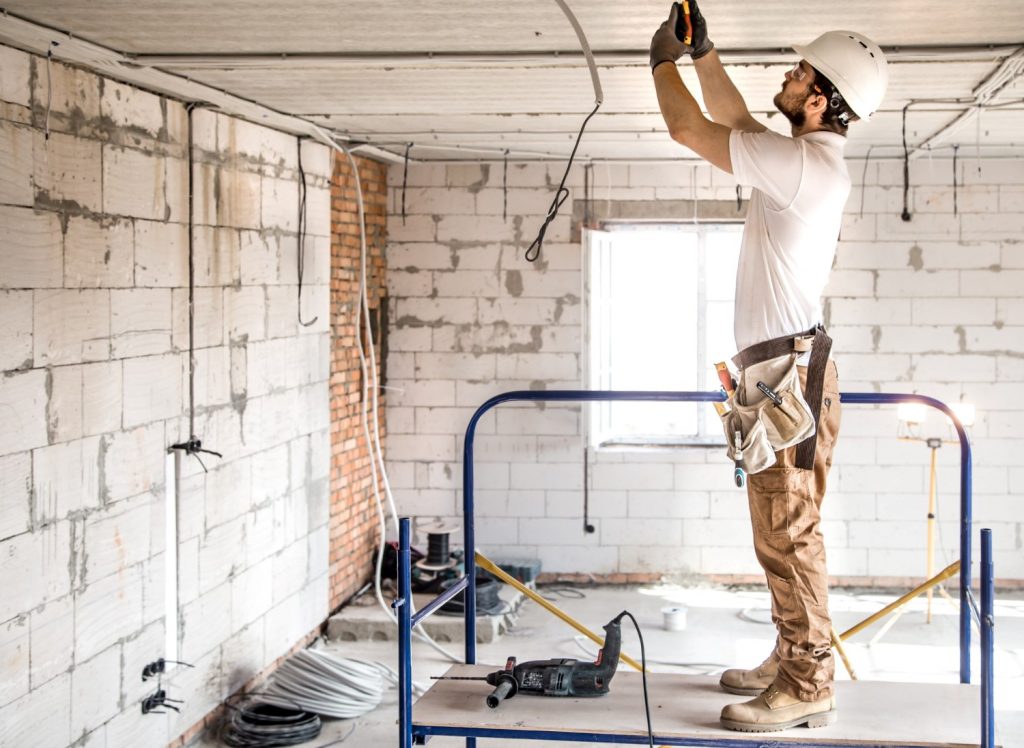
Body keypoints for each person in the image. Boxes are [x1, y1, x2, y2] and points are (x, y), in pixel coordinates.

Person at [648, 2, 888, 733]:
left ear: (818, 99)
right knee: (782, 529)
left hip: (787, 375)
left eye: (798, 72)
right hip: (782, 371)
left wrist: (661, 60)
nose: (785, 75)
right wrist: (704, 54)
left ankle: (809, 679)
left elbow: (691, 128)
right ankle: (792, 653)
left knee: (790, 531)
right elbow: (741, 125)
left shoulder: (806, 170)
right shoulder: (800, 163)